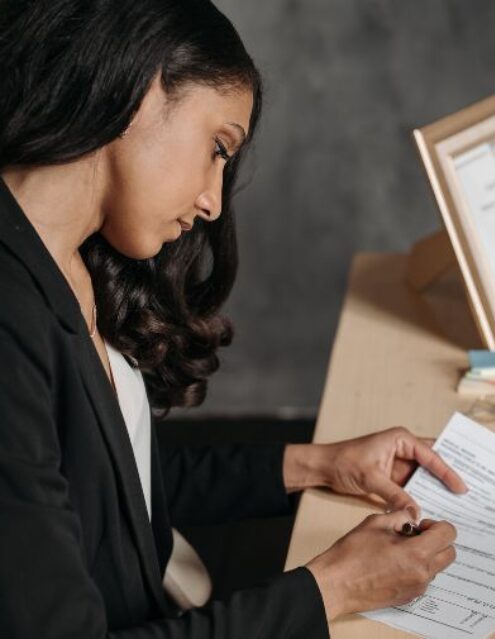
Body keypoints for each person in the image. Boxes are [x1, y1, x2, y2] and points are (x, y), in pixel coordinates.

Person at [0, 1, 466, 637]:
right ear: (140, 87)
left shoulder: (72, 259)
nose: (214, 203)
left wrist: (319, 464)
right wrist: (332, 588)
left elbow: (107, 487)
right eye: (218, 148)